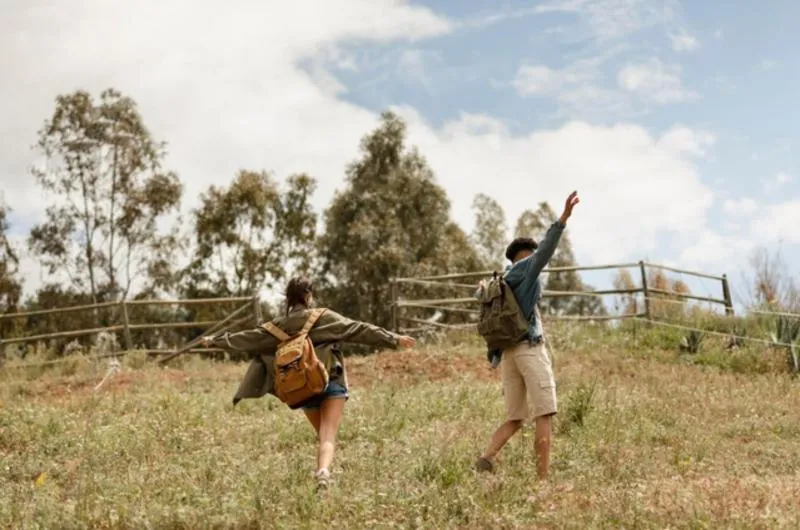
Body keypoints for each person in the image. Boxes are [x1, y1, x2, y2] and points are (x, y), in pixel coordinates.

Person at [200, 276, 416, 490]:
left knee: (322, 434)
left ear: (288, 298)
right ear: (308, 296)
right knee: (328, 434)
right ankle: (323, 473)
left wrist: (214, 341)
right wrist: (392, 338)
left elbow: (246, 338)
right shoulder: (324, 316)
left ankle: (323, 470)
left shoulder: (277, 326)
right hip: (330, 381)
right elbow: (358, 329)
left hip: (301, 388)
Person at [475, 190, 580, 480]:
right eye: (533, 256)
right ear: (526, 256)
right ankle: (543, 481)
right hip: (529, 350)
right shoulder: (526, 271)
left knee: (515, 418)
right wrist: (563, 219)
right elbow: (546, 249)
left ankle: (485, 458)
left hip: (507, 355)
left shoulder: (498, 283)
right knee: (544, 413)